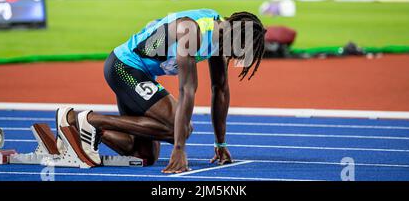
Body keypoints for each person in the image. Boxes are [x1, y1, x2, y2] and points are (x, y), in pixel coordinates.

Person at [56, 9, 266, 173]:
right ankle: (89, 120)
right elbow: (187, 90)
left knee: (143, 155)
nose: (236, 56)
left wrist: (220, 143)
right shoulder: (192, 31)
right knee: (181, 129)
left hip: (142, 75)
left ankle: (81, 126)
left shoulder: (222, 36)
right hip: (124, 67)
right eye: (241, 49)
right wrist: (179, 149)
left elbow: (220, 89)